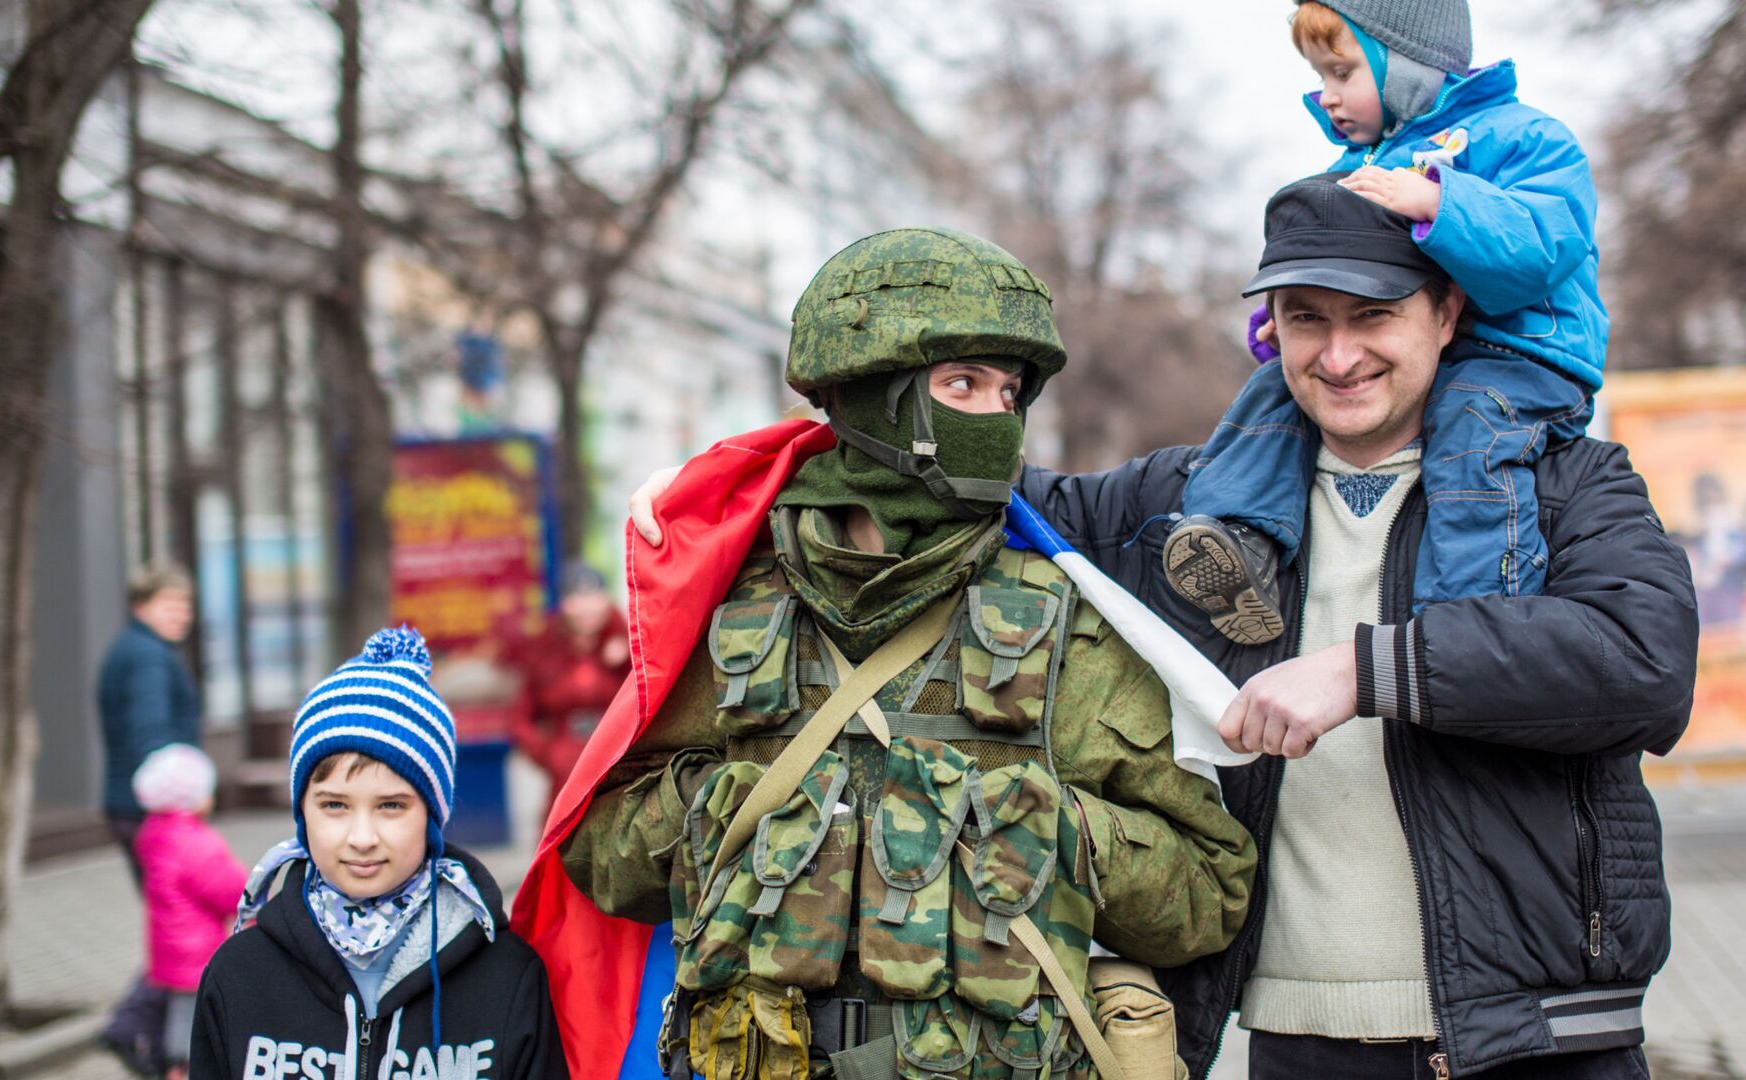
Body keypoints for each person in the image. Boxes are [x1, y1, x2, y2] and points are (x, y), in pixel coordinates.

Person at [628, 185, 1697, 1078]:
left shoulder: (1564, 485)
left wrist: (1365, 671)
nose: (1339, 356)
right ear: (1271, 327)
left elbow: (1643, 662)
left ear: (1445, 315)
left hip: (1537, 1040)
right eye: (1307, 320)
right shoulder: (1182, 503)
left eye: (1374, 318)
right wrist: (710, 520)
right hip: (1293, 1040)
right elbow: (949, 478)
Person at [568, 227, 1258, 1080]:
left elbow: (1206, 894)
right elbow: (599, 852)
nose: (997, 419)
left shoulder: (1056, 621)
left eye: (1010, 394)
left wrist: (1047, 829)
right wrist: (735, 815)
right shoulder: (731, 604)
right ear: (870, 397)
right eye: (962, 384)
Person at [1164, 0, 1607, 646]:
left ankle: (1472, 613)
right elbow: (1327, 267)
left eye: (1342, 73)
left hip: (1523, 356)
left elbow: (1544, 246)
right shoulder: (1367, 162)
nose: (1328, 97)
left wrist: (1440, 201)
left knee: (1472, 427)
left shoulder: (1523, 138)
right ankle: (1240, 539)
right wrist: (1291, 321)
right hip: (1433, 354)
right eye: (1320, 77)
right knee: (1276, 392)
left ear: (1406, 63)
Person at [187, 627, 567, 1080]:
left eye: (391, 806)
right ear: (301, 813)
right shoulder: (239, 975)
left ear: (432, 814)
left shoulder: (506, 976)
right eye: (334, 806)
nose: (362, 837)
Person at [98, 561, 202, 1075]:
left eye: (186, 604)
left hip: (136, 810)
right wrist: (186, 795)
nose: (182, 613)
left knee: (172, 925)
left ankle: (155, 1044)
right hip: (155, 813)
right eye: (170, 603)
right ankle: (130, 1026)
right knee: (183, 927)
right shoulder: (148, 660)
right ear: (142, 606)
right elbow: (152, 738)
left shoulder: (139, 650)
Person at [130, 743, 245, 1080]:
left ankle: (173, 1064)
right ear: (192, 799)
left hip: (168, 947)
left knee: (178, 1013)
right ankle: (184, 1067)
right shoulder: (197, 844)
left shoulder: (154, 834)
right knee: (193, 1019)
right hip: (197, 952)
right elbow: (233, 892)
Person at [506, 562, 629, 815]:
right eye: (577, 598)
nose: (587, 607)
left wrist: (625, 661)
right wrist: (549, 754)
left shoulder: (627, 642)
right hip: (567, 775)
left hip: (621, 768)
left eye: (594, 596)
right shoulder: (547, 650)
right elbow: (520, 720)